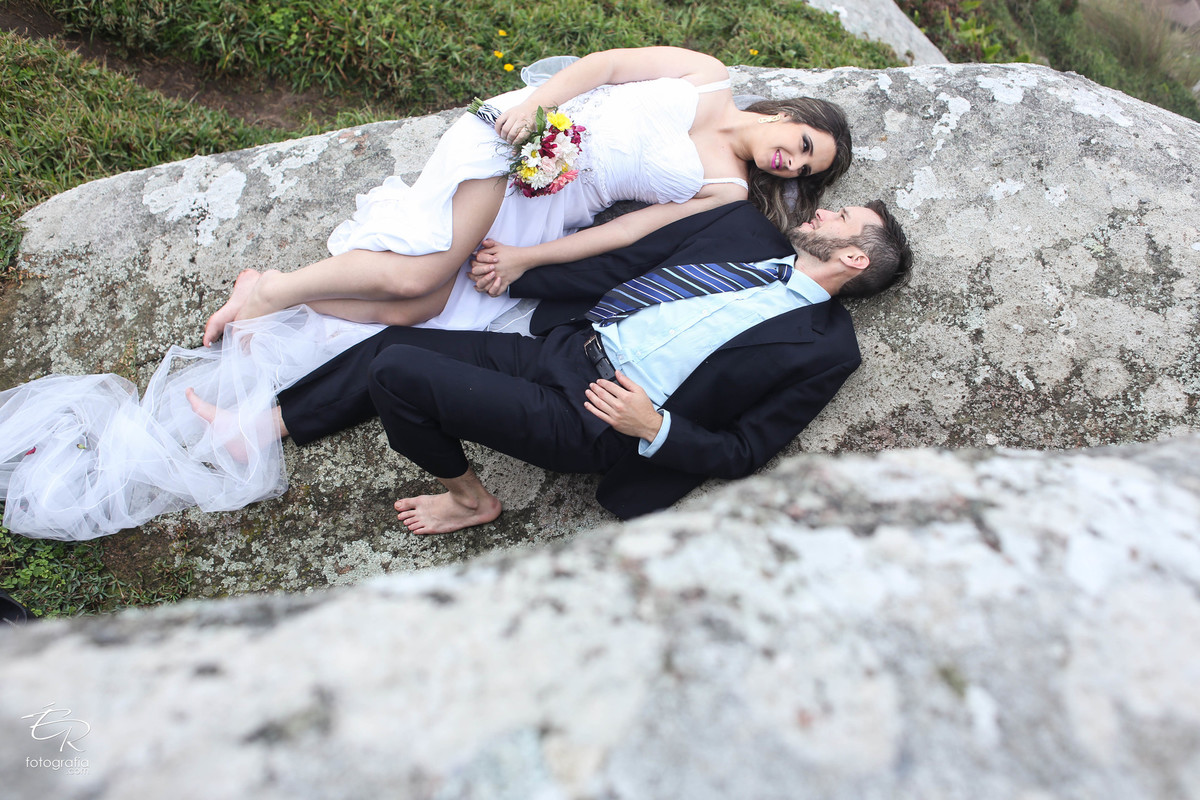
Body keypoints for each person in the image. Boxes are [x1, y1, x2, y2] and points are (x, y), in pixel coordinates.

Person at [192, 199, 912, 534]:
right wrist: (512, 269)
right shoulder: (745, 231)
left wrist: (655, 427)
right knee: (389, 348)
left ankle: (473, 499)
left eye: (840, 218)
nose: (819, 214)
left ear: (855, 259)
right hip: (566, 348)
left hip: (599, 419)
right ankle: (269, 425)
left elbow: (749, 449)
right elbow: (628, 255)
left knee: (400, 374)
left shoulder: (827, 351)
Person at [200, 46, 853, 345]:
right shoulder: (708, 78)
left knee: (425, 305)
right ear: (788, 114)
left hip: (551, 206)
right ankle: (269, 292)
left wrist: (528, 260)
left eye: (802, 168)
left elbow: (626, 232)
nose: (789, 160)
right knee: (425, 271)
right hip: (523, 133)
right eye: (800, 142)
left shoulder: (725, 189)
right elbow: (608, 65)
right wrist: (536, 108)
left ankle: (289, 300)